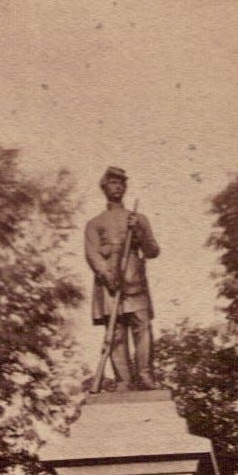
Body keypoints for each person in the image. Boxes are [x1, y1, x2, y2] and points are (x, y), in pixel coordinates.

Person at [84, 166, 160, 390]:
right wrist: (107, 276)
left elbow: (153, 250)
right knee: (115, 333)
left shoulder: (138, 219)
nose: (117, 187)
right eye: (112, 183)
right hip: (109, 284)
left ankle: (145, 375)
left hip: (135, 280)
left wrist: (139, 232)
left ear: (125, 188)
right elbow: (92, 253)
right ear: (104, 187)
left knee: (142, 328)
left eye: (121, 183)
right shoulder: (94, 224)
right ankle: (123, 380)